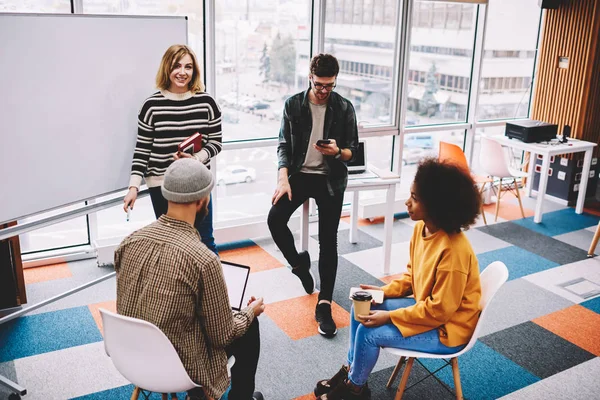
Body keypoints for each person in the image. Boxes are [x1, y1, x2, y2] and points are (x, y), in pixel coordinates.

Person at [315, 158, 483, 400]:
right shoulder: (422, 229)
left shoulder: (454, 252)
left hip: (448, 331)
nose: (407, 202)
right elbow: (413, 278)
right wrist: (382, 293)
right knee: (360, 307)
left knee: (368, 333)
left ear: (436, 206)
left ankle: (355, 389)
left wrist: (390, 315)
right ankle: (352, 371)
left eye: (415, 198)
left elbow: (440, 311)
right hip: (429, 313)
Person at [115, 159, 265, 400]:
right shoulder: (203, 259)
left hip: (131, 354)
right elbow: (222, 335)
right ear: (202, 200)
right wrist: (249, 312)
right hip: (180, 365)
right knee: (249, 327)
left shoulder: (128, 243)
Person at [267, 53, 359, 338]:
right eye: (319, 84)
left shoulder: (344, 107)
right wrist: (283, 178)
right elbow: (283, 145)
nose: (323, 91)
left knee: (328, 241)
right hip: (300, 175)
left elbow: (353, 151)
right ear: (310, 77)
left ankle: (324, 303)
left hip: (330, 179)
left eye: (329, 85)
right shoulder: (293, 104)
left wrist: (338, 152)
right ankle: (299, 265)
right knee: (275, 220)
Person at [123, 44, 221, 255]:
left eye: (188, 67)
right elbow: (142, 149)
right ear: (167, 68)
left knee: (205, 242)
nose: (183, 72)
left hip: (197, 183)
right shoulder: (151, 106)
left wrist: (195, 159)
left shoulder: (207, 102)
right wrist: (133, 186)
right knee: (171, 246)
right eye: (177, 66)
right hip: (162, 185)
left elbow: (216, 143)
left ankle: (214, 288)